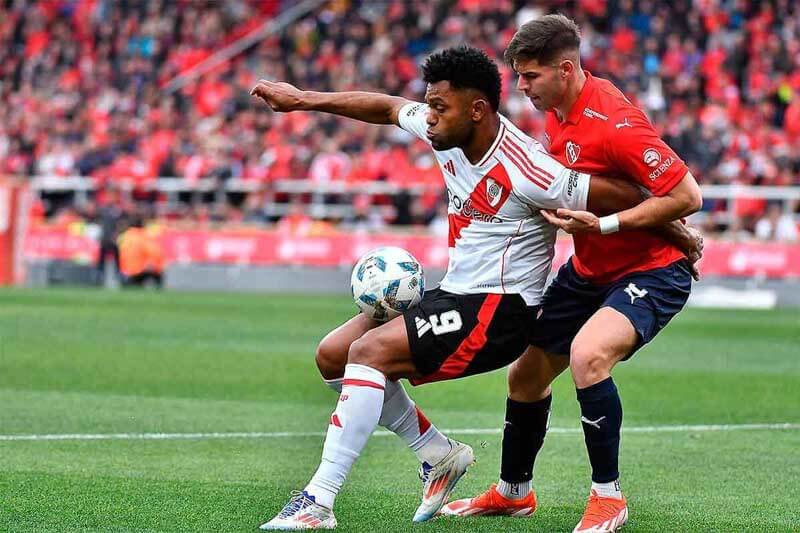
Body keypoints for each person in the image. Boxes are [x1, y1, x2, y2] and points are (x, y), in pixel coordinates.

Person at [251, 46, 700, 530]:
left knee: (368, 353)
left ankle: (318, 502)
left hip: (498, 311)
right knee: (333, 354)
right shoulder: (444, 130)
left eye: (440, 110)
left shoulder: (531, 169)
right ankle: (437, 454)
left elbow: (625, 193)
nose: (430, 120)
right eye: (430, 107)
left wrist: (679, 234)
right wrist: (303, 100)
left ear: (477, 110)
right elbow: (384, 106)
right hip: (456, 293)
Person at [441, 16, 703, 533]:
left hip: (651, 271)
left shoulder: (616, 123)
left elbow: (687, 196)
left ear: (565, 69)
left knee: (589, 355)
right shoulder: (557, 112)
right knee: (527, 374)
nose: (521, 87)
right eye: (518, 75)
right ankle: (514, 492)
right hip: (589, 271)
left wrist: (607, 225)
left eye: (531, 76)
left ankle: (609, 497)